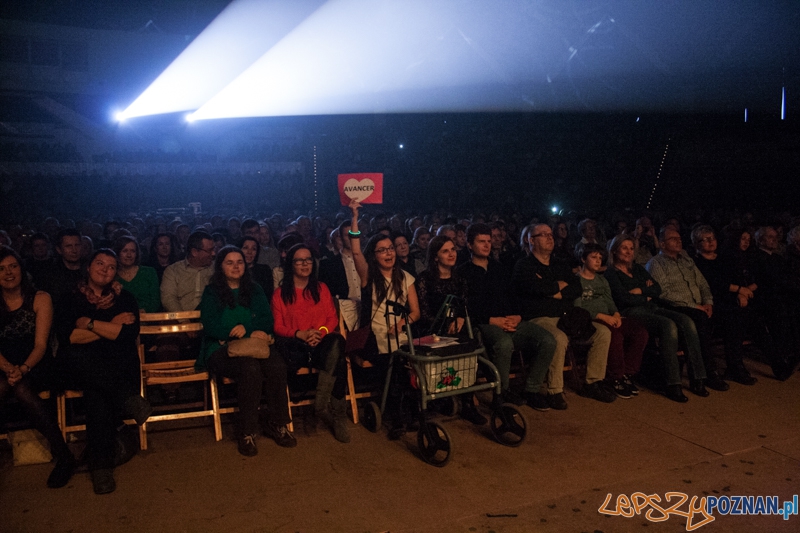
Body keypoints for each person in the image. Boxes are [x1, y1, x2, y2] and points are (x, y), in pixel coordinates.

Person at [54, 249, 151, 494]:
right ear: (88, 267)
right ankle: (126, 399)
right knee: (81, 358)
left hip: (116, 368)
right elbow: (70, 338)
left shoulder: (125, 298)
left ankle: (101, 468)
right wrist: (111, 325)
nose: (104, 269)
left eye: (110, 266)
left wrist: (89, 323)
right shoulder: (69, 299)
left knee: (96, 392)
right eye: (99, 263)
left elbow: (127, 334)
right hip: (83, 368)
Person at [196, 246, 295, 456]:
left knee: (277, 366)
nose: (235, 266)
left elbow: (267, 320)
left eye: (239, 262)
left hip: (255, 346)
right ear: (220, 266)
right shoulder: (212, 291)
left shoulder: (255, 289)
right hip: (221, 348)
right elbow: (210, 324)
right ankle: (247, 431)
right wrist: (235, 331)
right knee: (250, 369)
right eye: (229, 262)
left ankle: (278, 423)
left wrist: (248, 329)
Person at [512, 224, 614, 409]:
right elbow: (534, 289)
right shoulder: (524, 265)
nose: (549, 237)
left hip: (566, 317)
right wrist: (557, 287)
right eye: (543, 235)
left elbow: (576, 288)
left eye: (550, 234)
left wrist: (552, 291)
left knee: (602, 332)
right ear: (531, 240)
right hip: (539, 318)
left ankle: (593, 382)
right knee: (558, 338)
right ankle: (555, 390)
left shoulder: (559, 264)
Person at [457, 224, 557, 410]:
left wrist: (517, 316)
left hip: (510, 319)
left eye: (489, 241)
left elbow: (513, 295)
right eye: (481, 241)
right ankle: (501, 392)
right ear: (470, 245)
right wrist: (492, 320)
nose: (487, 245)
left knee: (547, 340)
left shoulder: (500, 268)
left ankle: (532, 389)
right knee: (504, 344)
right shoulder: (463, 273)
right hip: (485, 323)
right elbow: (466, 306)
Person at [0, 246, 76, 488]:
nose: (8, 272)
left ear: (22, 269)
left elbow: (41, 345)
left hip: (37, 363)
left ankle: (64, 456)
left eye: (13, 266)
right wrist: (8, 368)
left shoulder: (40, 298)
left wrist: (21, 369)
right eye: (1, 269)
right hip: (3, 363)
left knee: (22, 389)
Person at [604, 235, 708, 402]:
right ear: (615, 251)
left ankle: (699, 377)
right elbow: (624, 298)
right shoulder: (611, 273)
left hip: (652, 307)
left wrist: (640, 292)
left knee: (687, 321)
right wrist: (646, 293)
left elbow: (657, 289)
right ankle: (673, 383)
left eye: (631, 248)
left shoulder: (637, 269)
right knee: (668, 325)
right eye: (624, 248)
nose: (629, 252)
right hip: (631, 311)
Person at [349, 201, 421, 439]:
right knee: (393, 364)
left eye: (390, 248)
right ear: (374, 254)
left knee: (410, 362)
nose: (389, 252)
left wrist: (402, 324)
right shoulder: (368, 276)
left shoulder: (406, 277)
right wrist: (355, 217)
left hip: (401, 335)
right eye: (382, 250)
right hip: (374, 337)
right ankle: (398, 419)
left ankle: (413, 413)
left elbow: (415, 312)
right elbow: (356, 251)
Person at [271, 244, 350, 443]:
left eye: (308, 260)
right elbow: (278, 326)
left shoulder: (321, 288)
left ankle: (322, 405)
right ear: (291, 264)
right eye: (299, 260)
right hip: (295, 345)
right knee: (337, 361)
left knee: (337, 343)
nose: (305, 264)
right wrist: (301, 334)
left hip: (321, 341)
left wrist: (319, 333)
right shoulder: (280, 294)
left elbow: (332, 319)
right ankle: (331, 412)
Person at [646, 227, 729, 391]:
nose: (678, 241)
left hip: (700, 306)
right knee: (699, 320)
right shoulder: (656, 263)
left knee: (730, 315)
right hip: (676, 306)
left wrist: (708, 302)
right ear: (662, 244)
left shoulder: (686, 260)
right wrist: (695, 306)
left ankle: (733, 365)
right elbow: (663, 292)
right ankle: (707, 373)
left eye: (679, 238)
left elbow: (703, 283)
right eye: (673, 239)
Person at [416, 235, 487, 425]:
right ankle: (440, 398)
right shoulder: (425, 280)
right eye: (445, 251)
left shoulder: (460, 279)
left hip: (457, 328)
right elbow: (423, 313)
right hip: (432, 330)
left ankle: (468, 402)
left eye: (453, 250)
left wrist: (461, 319)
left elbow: (464, 306)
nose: (451, 254)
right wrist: (445, 323)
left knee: (472, 342)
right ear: (435, 256)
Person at [574, 243, 648, 398]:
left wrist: (615, 314)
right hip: (592, 319)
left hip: (609, 316)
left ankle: (627, 373)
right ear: (583, 258)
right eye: (593, 257)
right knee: (614, 335)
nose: (598, 261)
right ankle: (615, 377)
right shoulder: (577, 281)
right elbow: (578, 308)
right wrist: (602, 316)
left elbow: (610, 301)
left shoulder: (602, 281)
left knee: (639, 332)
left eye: (600, 258)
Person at [691, 226, 757, 385]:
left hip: (729, 300)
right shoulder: (696, 263)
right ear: (696, 244)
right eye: (705, 240)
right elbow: (713, 283)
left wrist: (741, 292)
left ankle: (735, 365)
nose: (710, 242)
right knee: (730, 316)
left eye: (712, 238)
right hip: (710, 301)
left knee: (743, 314)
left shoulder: (723, 259)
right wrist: (739, 290)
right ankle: (718, 369)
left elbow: (736, 278)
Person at [160, 230, 215, 312]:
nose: (213, 253)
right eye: (209, 250)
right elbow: (168, 298)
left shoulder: (216, 269)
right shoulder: (173, 271)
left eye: (213, 249)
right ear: (194, 252)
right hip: (180, 320)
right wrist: (184, 320)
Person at [113, 236, 160, 313]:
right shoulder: (112, 275)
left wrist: (143, 311)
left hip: (147, 319)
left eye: (132, 251)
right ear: (118, 253)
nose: (129, 255)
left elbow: (156, 301)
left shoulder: (149, 272)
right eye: (125, 251)